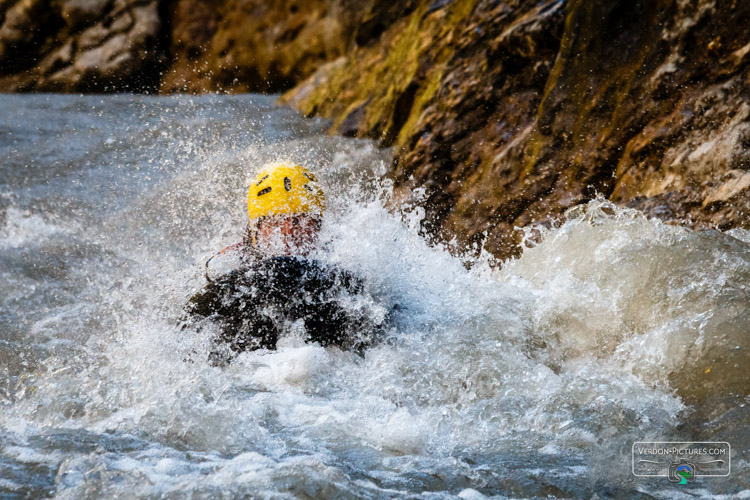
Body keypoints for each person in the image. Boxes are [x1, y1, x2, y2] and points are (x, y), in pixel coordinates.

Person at [185, 163, 383, 365]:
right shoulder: (226, 267)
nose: (289, 231)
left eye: (300, 220)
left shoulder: (341, 261)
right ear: (256, 231)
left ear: (318, 228)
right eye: (277, 220)